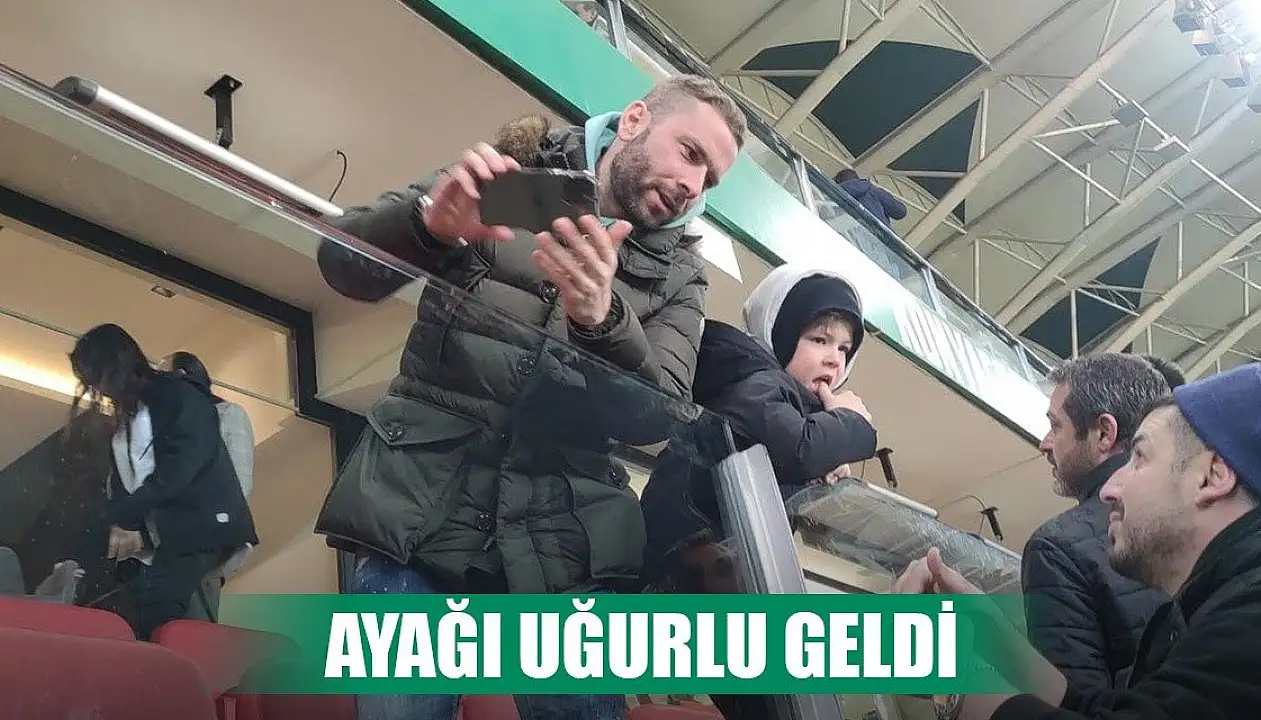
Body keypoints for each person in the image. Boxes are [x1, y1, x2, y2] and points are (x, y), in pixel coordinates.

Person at [313, 74, 745, 720]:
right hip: (418, 515)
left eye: (710, 179)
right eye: (690, 153)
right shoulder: (509, 175)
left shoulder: (682, 276)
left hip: (565, 545)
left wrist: (602, 322)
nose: (693, 185)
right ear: (633, 120)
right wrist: (426, 227)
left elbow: (657, 415)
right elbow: (340, 262)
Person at [894, 363, 1261, 719]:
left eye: (1139, 457)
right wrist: (992, 634)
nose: (1110, 489)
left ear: (1212, 476)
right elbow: (1097, 708)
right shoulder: (1220, 609)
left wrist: (947, 676)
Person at [640, 265, 876, 720]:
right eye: (819, 339)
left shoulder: (766, 391)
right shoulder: (756, 379)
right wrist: (851, 425)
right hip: (687, 578)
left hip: (697, 583)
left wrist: (822, 453)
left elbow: (789, 452)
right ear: (780, 334)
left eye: (845, 349)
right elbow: (798, 448)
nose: (834, 360)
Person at [68, 324, 257, 640]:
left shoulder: (178, 396)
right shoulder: (129, 419)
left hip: (196, 530)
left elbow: (182, 465)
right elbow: (129, 483)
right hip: (162, 539)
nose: (97, 389)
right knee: (151, 619)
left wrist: (128, 518)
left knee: (165, 619)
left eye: (96, 378)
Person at [1023, 354, 1172, 696]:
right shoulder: (1200, 517)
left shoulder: (1057, 549)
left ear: (1104, 433)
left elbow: (1072, 705)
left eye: (1055, 426)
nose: (1045, 443)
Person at [160, 351, 256, 620]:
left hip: (202, 549)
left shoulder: (227, 415)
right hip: (160, 553)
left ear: (181, 376)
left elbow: (239, 481)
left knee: (192, 631)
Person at [833, 168, 908, 227]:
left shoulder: (834, 195)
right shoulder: (874, 191)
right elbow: (900, 212)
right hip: (877, 237)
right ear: (858, 179)